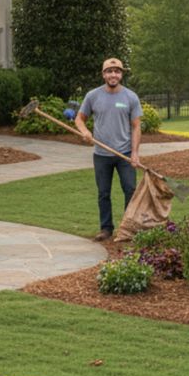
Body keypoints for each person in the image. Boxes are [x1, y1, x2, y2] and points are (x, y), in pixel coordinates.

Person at [75, 58, 142, 242]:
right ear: (103, 74)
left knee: (130, 189)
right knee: (103, 192)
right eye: (109, 71)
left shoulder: (130, 97)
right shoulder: (93, 96)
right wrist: (85, 131)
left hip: (125, 154)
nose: (113, 75)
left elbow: (136, 126)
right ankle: (106, 229)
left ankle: (128, 228)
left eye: (117, 71)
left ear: (121, 74)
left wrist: (135, 153)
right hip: (101, 154)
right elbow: (79, 119)